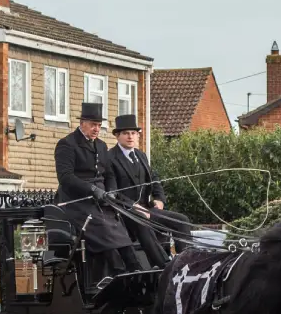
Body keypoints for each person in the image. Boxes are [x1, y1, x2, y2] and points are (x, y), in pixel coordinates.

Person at [54, 102, 147, 279]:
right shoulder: (67, 144)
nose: (97, 129)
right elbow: (65, 178)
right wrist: (92, 189)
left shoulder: (102, 146)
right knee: (103, 226)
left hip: (100, 200)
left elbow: (109, 174)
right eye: (93, 124)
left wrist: (110, 192)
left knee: (116, 224)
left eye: (99, 125)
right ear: (82, 123)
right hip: (76, 203)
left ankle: (136, 269)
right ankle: (118, 272)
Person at [104, 113, 194, 267]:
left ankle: (185, 263)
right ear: (117, 136)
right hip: (126, 214)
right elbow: (113, 192)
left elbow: (155, 179)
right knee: (142, 221)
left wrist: (159, 199)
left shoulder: (141, 155)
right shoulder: (110, 158)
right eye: (126, 133)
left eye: (133, 133)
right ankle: (164, 265)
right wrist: (133, 206)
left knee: (182, 220)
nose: (130, 137)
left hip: (149, 209)